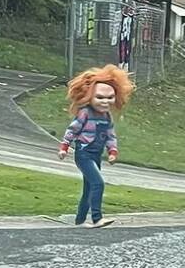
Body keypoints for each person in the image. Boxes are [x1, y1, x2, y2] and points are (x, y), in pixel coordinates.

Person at [58, 64, 135, 228]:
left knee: (88, 188)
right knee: (98, 183)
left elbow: (110, 135)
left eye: (110, 98)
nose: (105, 101)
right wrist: (64, 147)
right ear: (89, 96)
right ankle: (96, 218)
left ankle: (79, 220)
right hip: (84, 154)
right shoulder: (85, 113)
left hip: (96, 154)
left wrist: (112, 151)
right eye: (100, 97)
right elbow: (73, 129)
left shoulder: (107, 117)